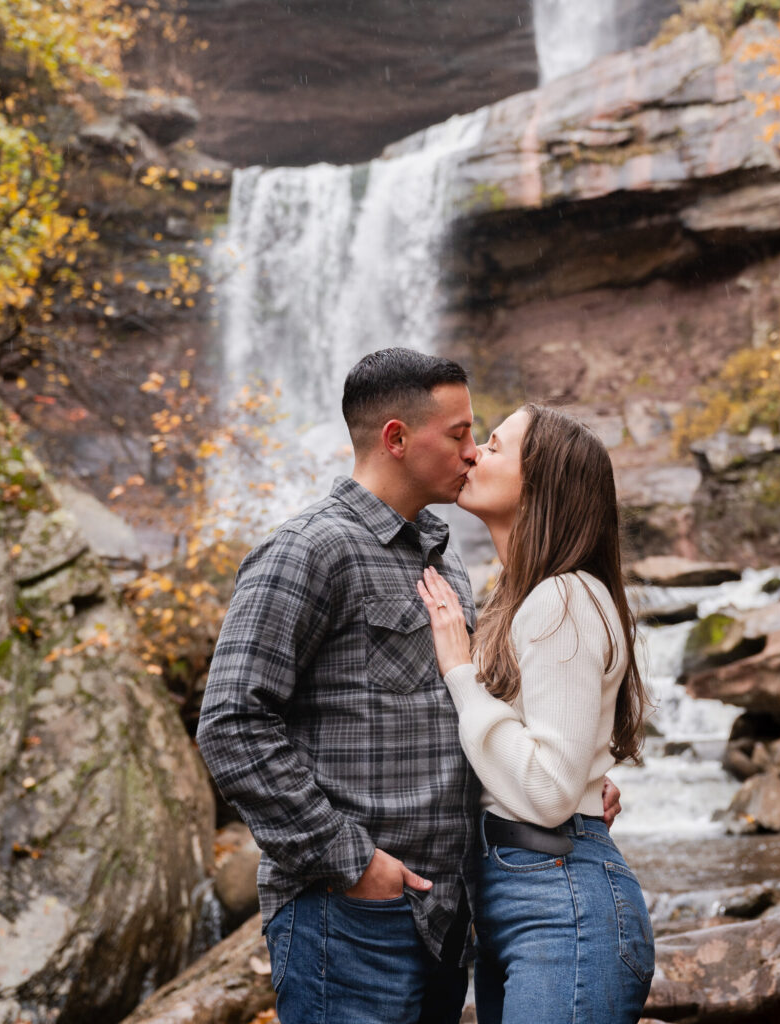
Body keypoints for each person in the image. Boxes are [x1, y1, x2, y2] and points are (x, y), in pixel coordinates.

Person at [196, 349, 620, 1024]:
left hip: (446, 920)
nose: (472, 452)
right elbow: (232, 723)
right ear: (396, 438)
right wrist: (353, 863)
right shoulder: (308, 549)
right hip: (352, 917)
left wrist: (568, 779)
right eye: (458, 435)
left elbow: (466, 716)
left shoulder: (443, 559)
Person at [417, 403, 655, 1024]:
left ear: (541, 481)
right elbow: (554, 764)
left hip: (560, 900)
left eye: (493, 447)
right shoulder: (522, 599)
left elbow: (547, 793)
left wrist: (460, 675)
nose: (472, 454)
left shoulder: (560, 598)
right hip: (528, 894)